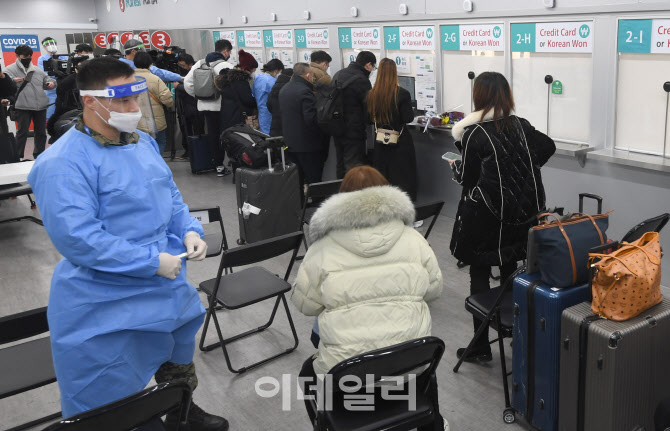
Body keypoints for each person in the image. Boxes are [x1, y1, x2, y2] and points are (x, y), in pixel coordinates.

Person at [26, 57, 229, 431]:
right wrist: (149, 261)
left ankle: (182, 407)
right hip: (104, 297)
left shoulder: (143, 144)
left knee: (177, 358)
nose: (134, 109)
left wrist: (188, 230)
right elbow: (78, 238)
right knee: (106, 397)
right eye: (122, 101)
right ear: (91, 101)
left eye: (136, 98)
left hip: (164, 284)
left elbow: (170, 197)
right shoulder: (63, 162)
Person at [292, 165, 443, 425]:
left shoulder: (322, 248)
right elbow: (433, 289)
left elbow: (305, 304)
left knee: (309, 370)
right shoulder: (414, 239)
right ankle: (431, 421)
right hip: (410, 364)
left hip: (347, 374)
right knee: (424, 372)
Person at [448, 71, 556, 362]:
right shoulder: (520, 126)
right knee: (511, 270)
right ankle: (517, 333)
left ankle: (481, 347)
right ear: (505, 95)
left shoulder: (475, 134)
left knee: (479, 272)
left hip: (487, 217)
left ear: (478, 96)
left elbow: (469, 178)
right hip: (521, 215)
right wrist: (520, 173)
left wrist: (456, 169)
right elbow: (548, 147)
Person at [367, 58, 417, 202]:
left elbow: (369, 119)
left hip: (380, 141)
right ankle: (405, 212)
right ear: (394, 73)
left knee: (383, 176)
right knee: (404, 178)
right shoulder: (402, 94)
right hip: (400, 142)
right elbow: (407, 118)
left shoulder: (371, 94)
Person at [184, 39, 234, 176]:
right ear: (225, 51)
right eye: (229, 52)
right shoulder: (225, 65)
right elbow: (233, 88)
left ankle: (218, 165)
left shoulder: (200, 63)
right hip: (221, 107)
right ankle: (231, 162)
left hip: (204, 106)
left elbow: (187, 83)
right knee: (226, 135)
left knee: (213, 135)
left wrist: (199, 96)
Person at [278, 63, 327, 188]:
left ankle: (299, 204)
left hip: (290, 142)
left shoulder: (284, 89)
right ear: (308, 75)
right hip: (307, 144)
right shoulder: (305, 91)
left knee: (297, 178)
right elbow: (310, 119)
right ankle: (316, 204)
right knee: (314, 177)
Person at [4, 44, 56, 160]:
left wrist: (51, 83)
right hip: (22, 106)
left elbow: (47, 80)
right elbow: (4, 85)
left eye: (30, 56)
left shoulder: (37, 70)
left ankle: (39, 154)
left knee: (41, 132)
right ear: (17, 56)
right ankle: (17, 157)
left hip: (40, 105)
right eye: (25, 56)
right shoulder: (9, 70)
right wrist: (12, 81)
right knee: (22, 132)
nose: (28, 58)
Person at [331, 51, 376, 178]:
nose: (372, 70)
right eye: (373, 67)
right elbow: (369, 107)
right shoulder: (362, 80)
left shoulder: (339, 74)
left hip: (336, 127)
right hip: (353, 131)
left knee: (340, 163)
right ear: (368, 65)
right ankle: (352, 195)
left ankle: (341, 192)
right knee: (354, 166)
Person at [134, 51, 175, 154]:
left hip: (135, 122)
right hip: (155, 121)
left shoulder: (127, 79)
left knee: (139, 144)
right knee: (160, 142)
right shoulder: (155, 79)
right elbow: (168, 100)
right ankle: (157, 163)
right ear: (149, 64)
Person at [215, 50, 257, 135]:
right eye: (252, 70)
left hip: (227, 116)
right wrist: (257, 102)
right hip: (237, 117)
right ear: (247, 68)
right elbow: (247, 99)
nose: (252, 73)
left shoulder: (229, 77)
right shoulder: (240, 80)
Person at [175, 53, 202, 159]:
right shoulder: (181, 72)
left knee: (197, 130)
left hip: (195, 106)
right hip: (184, 106)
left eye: (183, 65)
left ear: (190, 64)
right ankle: (188, 151)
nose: (181, 68)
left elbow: (194, 88)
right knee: (185, 129)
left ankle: (198, 152)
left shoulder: (197, 71)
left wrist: (179, 87)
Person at [38, 37, 68, 120]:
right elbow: (43, 73)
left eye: (52, 43)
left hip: (64, 85)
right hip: (52, 88)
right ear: (44, 47)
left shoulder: (65, 57)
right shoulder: (42, 59)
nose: (51, 45)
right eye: (48, 44)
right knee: (52, 109)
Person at [251, 58, 283, 135]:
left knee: (264, 134)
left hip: (261, 112)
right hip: (270, 113)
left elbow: (253, 94)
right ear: (276, 70)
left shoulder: (258, 78)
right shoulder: (272, 81)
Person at [266, 68, 293, 137]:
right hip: (288, 126)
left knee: (277, 145)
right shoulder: (290, 88)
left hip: (275, 125)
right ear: (291, 77)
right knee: (287, 147)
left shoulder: (273, 88)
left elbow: (269, 105)